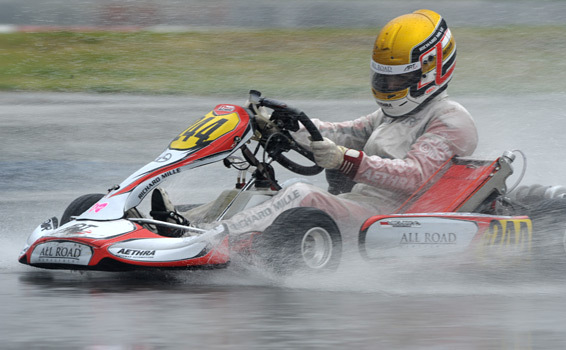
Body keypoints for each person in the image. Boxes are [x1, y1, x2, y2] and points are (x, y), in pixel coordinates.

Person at [162, 9, 478, 243]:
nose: (388, 84)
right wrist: (284, 126)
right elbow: (343, 133)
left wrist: (345, 160)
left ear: (428, 72)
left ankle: (210, 241)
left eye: (398, 78)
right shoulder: (390, 116)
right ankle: (175, 225)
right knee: (266, 192)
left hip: (393, 222)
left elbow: (415, 175)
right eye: (383, 76)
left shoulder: (449, 118)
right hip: (358, 207)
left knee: (302, 193)